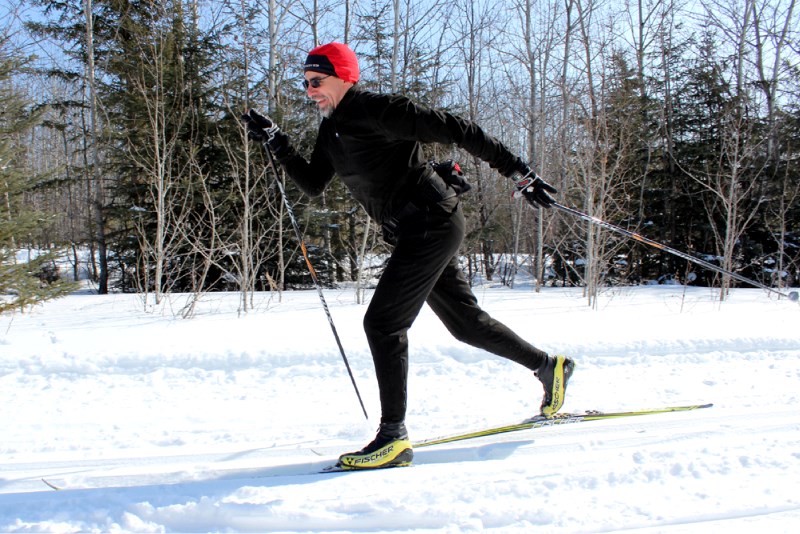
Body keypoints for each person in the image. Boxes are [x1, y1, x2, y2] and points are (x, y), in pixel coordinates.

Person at [243, 42, 575, 470]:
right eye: (306, 83)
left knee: (382, 323)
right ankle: (549, 367)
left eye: (317, 81)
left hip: (431, 221)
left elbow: (459, 129)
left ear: (344, 76)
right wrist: (277, 142)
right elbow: (312, 183)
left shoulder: (380, 110)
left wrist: (518, 171)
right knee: (466, 324)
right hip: (416, 229)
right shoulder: (332, 130)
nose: (310, 91)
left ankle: (393, 438)